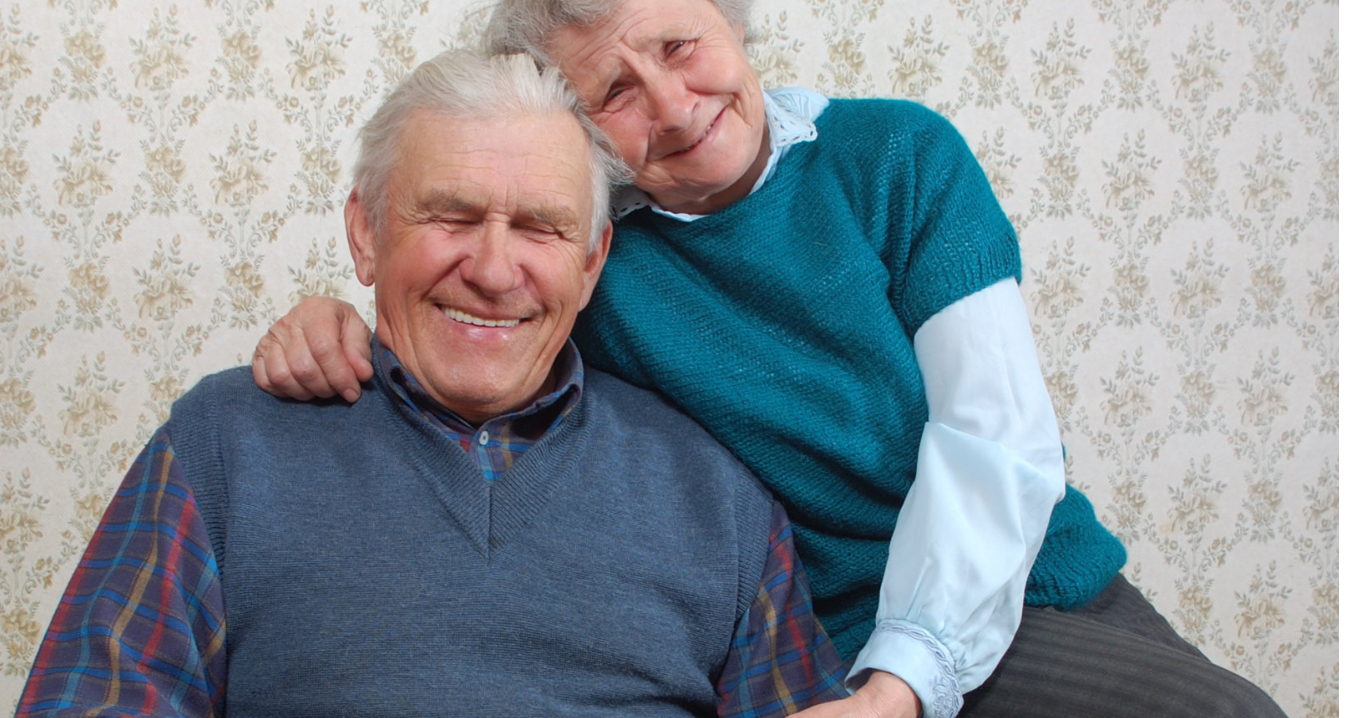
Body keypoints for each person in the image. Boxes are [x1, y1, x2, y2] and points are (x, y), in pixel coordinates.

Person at [253, 1, 1290, 716]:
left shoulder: (898, 159)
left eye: (677, 42)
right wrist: (333, 321)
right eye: (612, 90)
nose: (668, 102)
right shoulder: (592, 253)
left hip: (1024, 585)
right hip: (812, 647)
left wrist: (904, 682)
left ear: (729, 19)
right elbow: (464, 327)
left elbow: (992, 438)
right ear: (580, 134)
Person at [15, 50, 852, 718]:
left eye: (540, 227)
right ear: (366, 234)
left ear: (593, 261)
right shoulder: (224, 450)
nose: (493, 270)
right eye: (451, 216)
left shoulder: (716, 494)